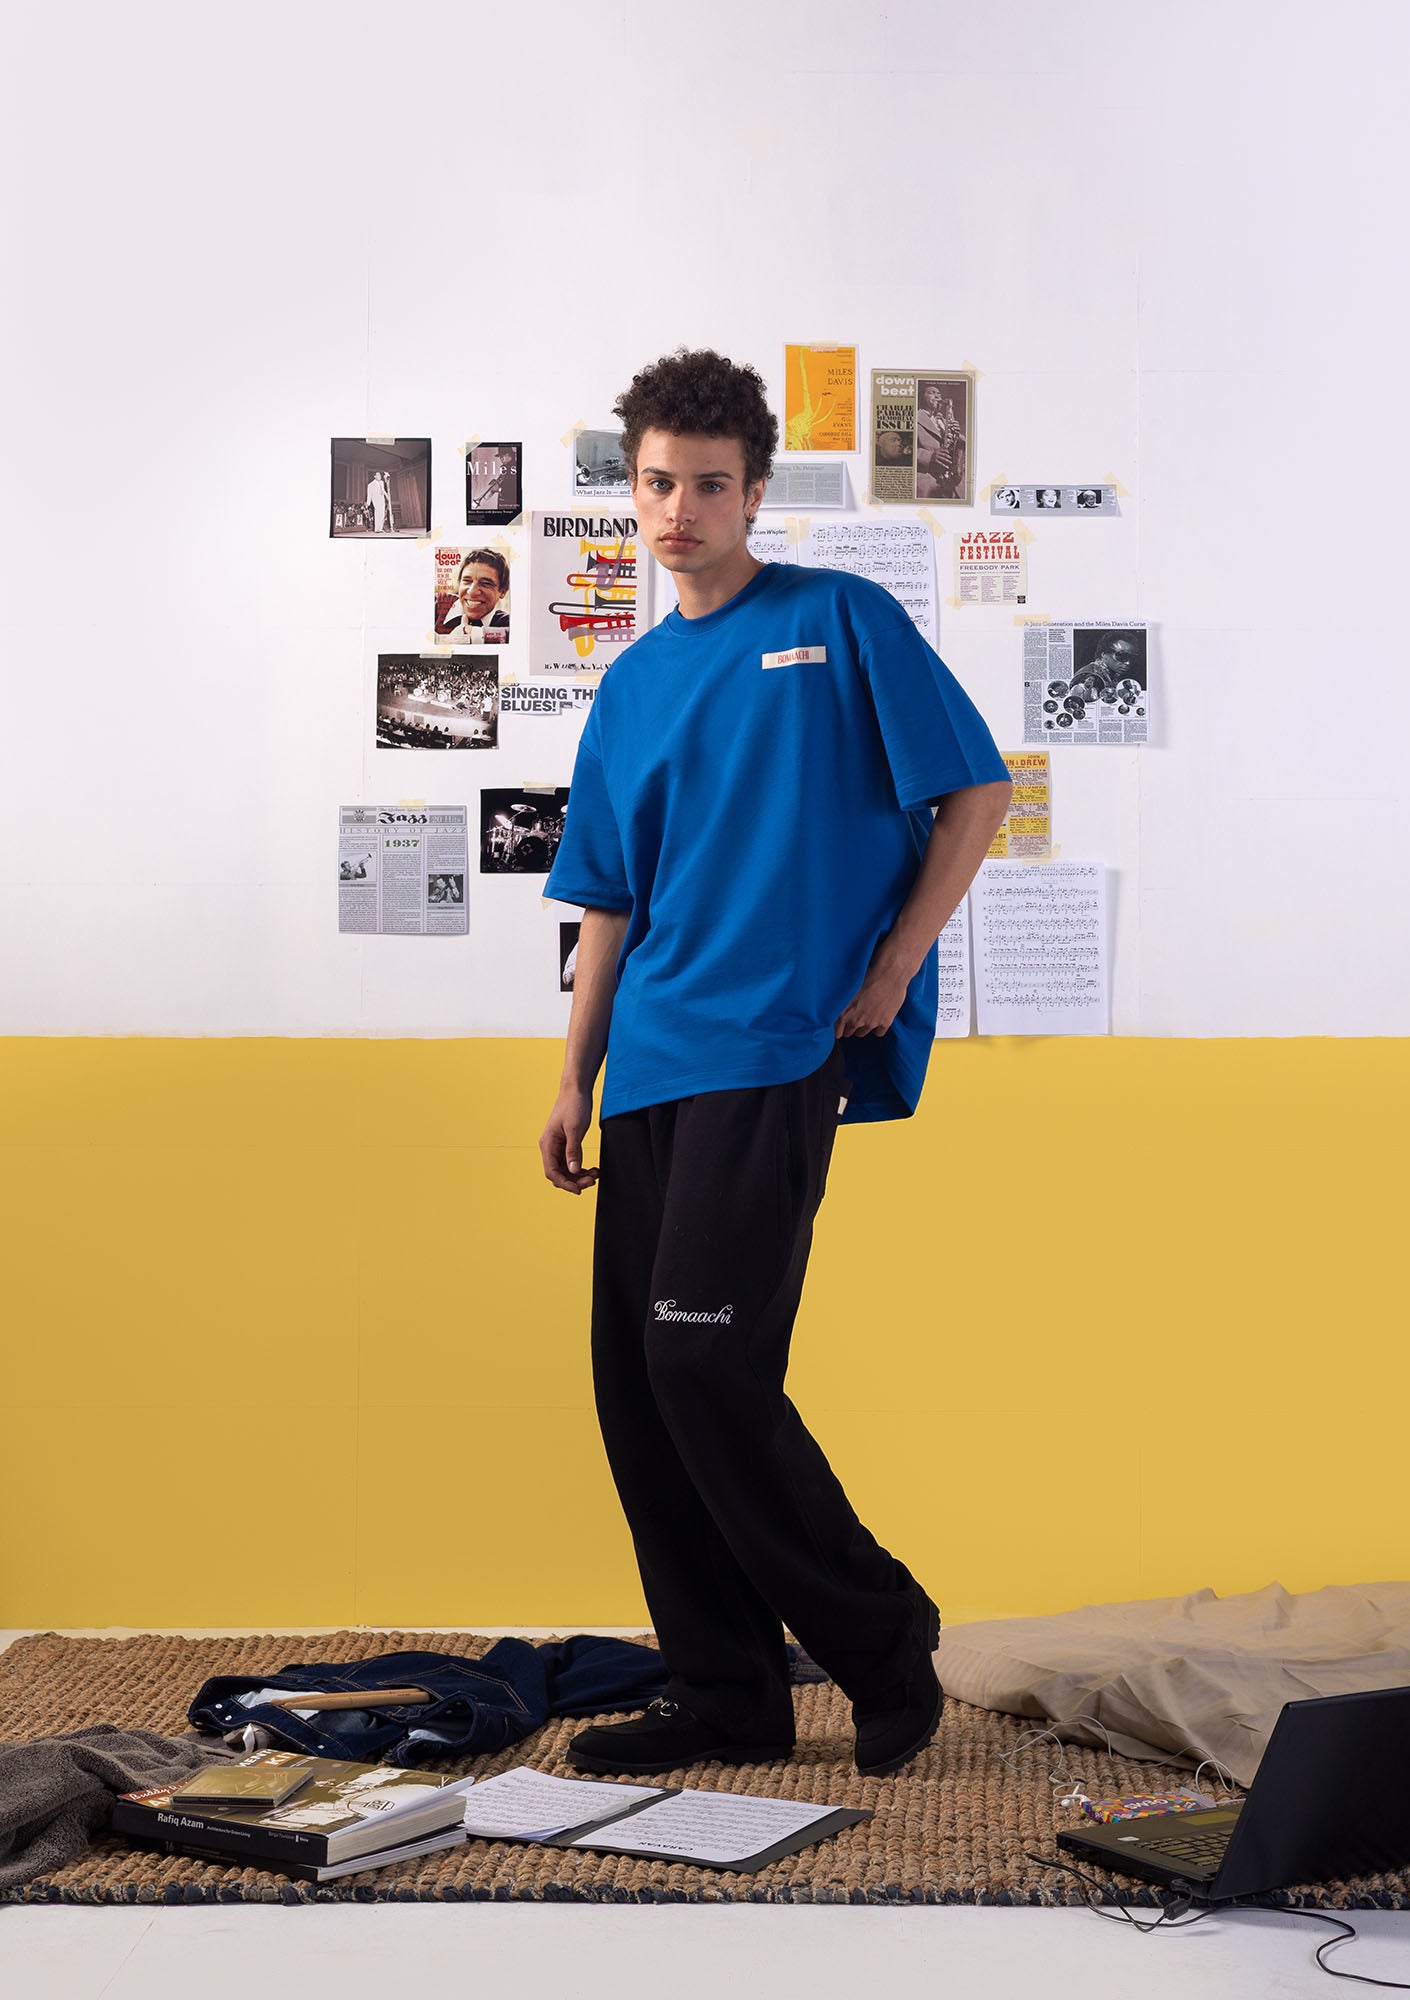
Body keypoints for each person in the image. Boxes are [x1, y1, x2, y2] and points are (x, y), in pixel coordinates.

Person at [541, 348, 1011, 1782]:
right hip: (652, 1061)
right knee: (638, 1386)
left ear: (754, 492)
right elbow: (608, 902)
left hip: (773, 1050)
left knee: (704, 1359)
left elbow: (976, 789)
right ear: (634, 490)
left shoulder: (837, 619)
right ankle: (728, 1690)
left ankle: (880, 1631)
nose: (679, 509)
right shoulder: (632, 685)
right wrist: (571, 1079)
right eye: (657, 483)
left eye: (709, 484)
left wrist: (894, 967)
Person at [438, 548, 510, 640]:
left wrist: (471, 633)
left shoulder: (506, 622)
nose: (472, 592)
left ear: (503, 592)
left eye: (485, 583)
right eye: (467, 581)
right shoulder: (438, 603)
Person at [367, 468, 391, 534]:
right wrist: (368, 503)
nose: (380, 476)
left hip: (382, 499)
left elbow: (383, 490)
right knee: (377, 513)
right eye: (378, 475)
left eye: (380, 475)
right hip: (376, 500)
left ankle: (380, 528)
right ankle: (376, 529)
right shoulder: (370, 485)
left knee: (382, 514)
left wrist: (387, 496)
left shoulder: (382, 482)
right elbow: (369, 494)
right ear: (375, 476)